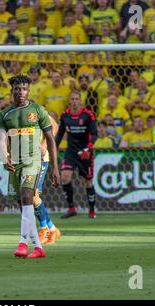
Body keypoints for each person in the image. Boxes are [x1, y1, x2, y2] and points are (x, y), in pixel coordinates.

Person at [0, 75, 60, 259]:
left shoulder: (38, 110)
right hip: (14, 164)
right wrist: (4, 156)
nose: (21, 92)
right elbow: (1, 138)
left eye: (24, 89)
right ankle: (39, 248)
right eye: (17, 89)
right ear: (12, 91)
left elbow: (50, 138)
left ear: (29, 91)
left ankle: (23, 243)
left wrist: (55, 167)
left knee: (27, 196)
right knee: (23, 205)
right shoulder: (5, 115)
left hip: (33, 161)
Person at [55, 91, 98, 219]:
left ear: (80, 101)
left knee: (88, 181)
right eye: (72, 99)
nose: (74, 101)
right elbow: (60, 134)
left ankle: (91, 210)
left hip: (85, 152)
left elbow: (94, 134)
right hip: (71, 152)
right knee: (65, 176)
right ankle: (72, 208)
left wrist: (88, 149)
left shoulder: (88, 115)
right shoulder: (65, 115)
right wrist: (54, 147)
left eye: (76, 99)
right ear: (69, 101)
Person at [35, 114, 62, 245]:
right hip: (24, 159)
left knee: (33, 194)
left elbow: (55, 126)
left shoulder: (37, 110)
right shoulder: (12, 113)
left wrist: (44, 144)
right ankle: (52, 228)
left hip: (40, 159)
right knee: (29, 197)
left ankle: (44, 229)